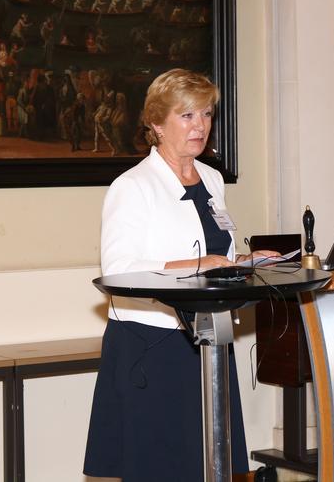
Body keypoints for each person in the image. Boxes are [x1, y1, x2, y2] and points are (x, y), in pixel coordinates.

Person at [84, 69, 276, 481]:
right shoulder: (132, 186)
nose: (200, 126)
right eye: (187, 116)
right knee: (160, 468)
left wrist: (244, 260)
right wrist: (200, 264)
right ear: (157, 123)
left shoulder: (211, 178)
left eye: (206, 114)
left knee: (209, 464)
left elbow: (212, 253)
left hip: (207, 340)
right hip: (152, 346)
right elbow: (118, 269)